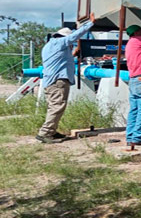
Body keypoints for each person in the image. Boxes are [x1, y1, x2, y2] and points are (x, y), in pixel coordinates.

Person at [36, 12, 96, 143]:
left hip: (51, 81)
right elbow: (74, 36)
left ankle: (51, 131)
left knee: (55, 106)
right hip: (57, 82)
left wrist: (74, 54)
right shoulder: (59, 42)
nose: (70, 45)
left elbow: (61, 61)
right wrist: (90, 23)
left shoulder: (50, 46)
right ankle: (45, 133)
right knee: (57, 106)